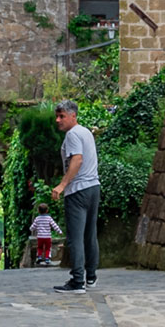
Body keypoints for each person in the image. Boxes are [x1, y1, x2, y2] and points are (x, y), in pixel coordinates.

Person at [54, 100, 101, 290]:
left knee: (76, 237)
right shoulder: (86, 132)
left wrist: (62, 185)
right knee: (90, 234)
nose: (58, 120)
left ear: (73, 116)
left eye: (62, 116)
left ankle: (77, 280)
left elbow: (77, 159)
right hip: (93, 187)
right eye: (57, 116)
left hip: (78, 190)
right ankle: (91, 276)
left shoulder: (73, 134)